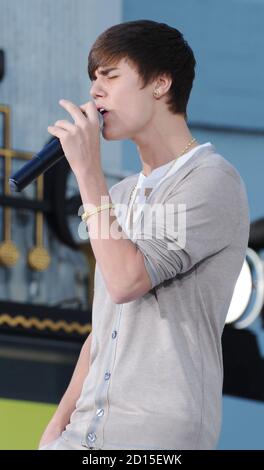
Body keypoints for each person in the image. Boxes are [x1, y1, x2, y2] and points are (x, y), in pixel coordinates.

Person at [38, 19, 250, 450]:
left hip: (156, 435)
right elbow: (104, 325)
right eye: (92, 79)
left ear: (160, 83)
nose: (95, 91)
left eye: (110, 76)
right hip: (83, 432)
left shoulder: (212, 181)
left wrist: (87, 171)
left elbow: (127, 281)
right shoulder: (118, 194)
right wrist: (58, 424)